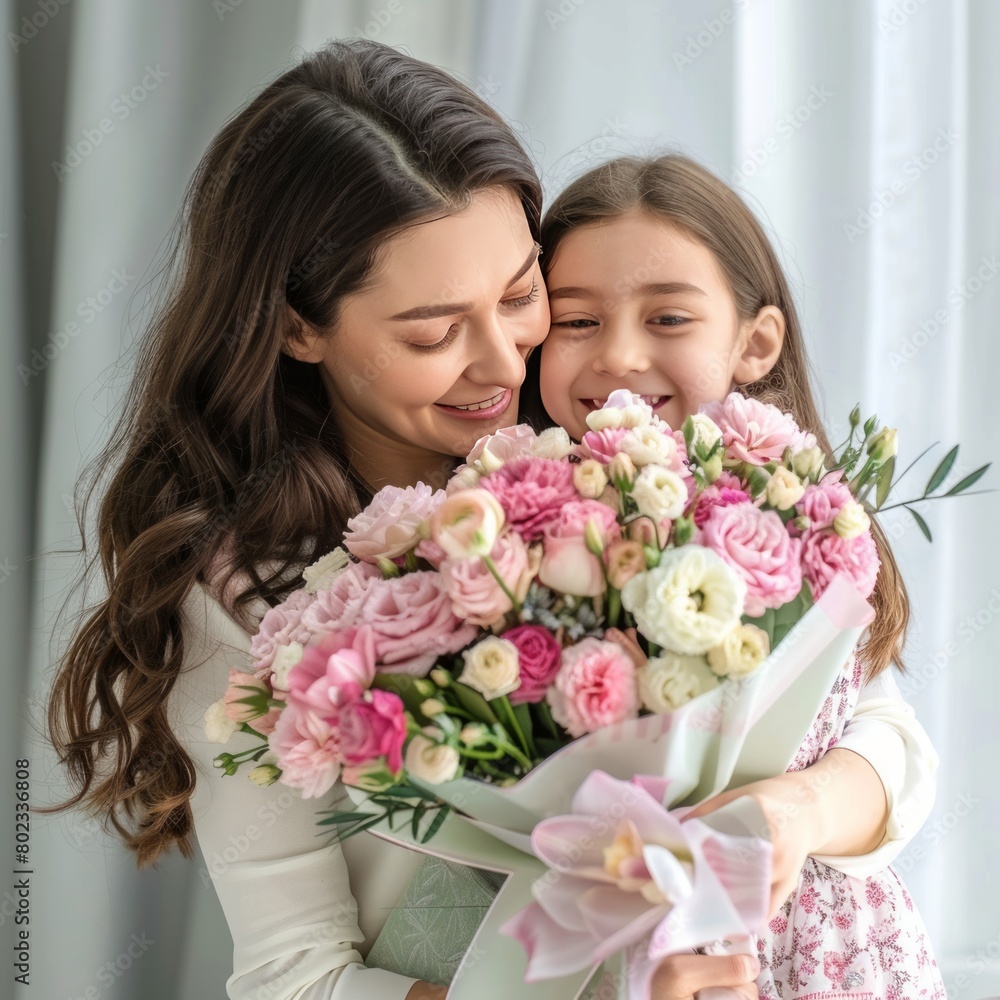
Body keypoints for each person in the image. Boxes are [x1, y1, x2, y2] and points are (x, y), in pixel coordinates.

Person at [42, 42, 765, 999]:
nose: (503, 364)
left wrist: (788, 821)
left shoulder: (603, 443)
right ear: (298, 327)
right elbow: (294, 978)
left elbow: (872, 728)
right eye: (430, 333)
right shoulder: (250, 594)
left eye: (518, 295)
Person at [530, 152, 946, 997]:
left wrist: (791, 816)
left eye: (670, 318)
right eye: (575, 322)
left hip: (834, 952)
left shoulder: (803, 522)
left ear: (754, 344)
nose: (617, 356)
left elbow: (892, 746)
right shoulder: (510, 544)